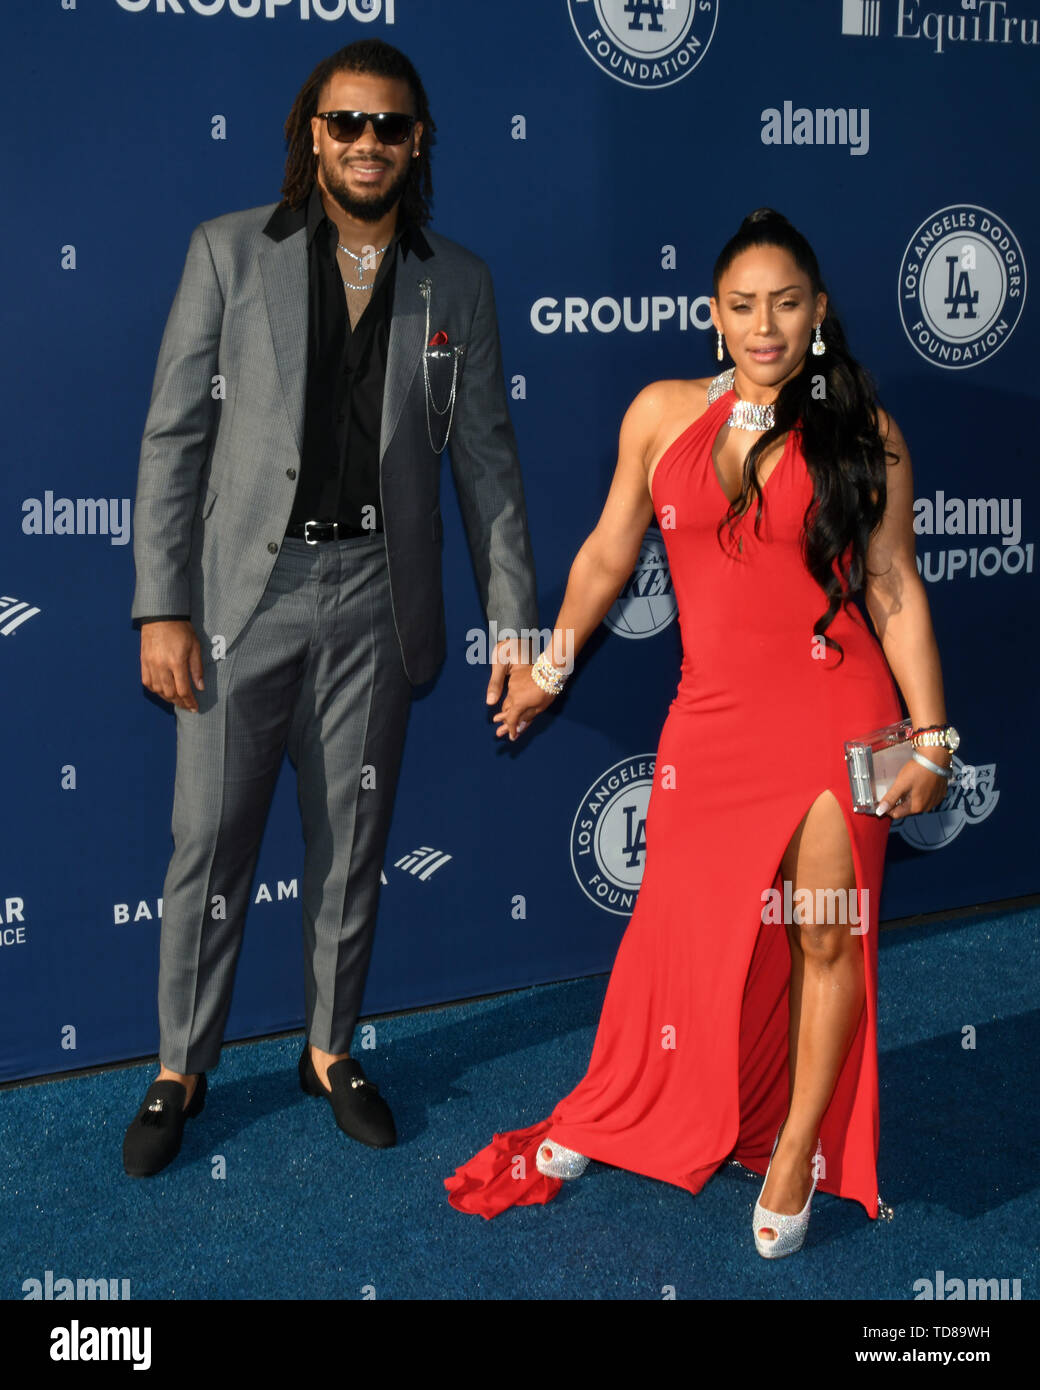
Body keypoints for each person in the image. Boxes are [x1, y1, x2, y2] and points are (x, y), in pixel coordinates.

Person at [445, 209, 957, 1257]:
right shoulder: (661, 413)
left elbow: (894, 584)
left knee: (823, 930)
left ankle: (793, 1149)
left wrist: (933, 735)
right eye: (740, 305)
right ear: (711, 312)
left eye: (784, 303)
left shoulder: (864, 432)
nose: (761, 325)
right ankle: (624, 1104)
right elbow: (602, 553)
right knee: (675, 939)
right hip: (710, 725)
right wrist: (548, 666)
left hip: (833, 719)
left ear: (817, 313)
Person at [123, 39, 538, 1177]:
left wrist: (514, 625)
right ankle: (178, 1066)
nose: (367, 144)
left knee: (351, 845)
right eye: (345, 123)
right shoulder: (227, 254)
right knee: (209, 842)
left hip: (376, 595)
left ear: (418, 144)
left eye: (389, 127)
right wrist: (161, 604)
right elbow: (174, 439)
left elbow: (487, 466)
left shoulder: (455, 281)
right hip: (237, 601)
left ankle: (328, 1048)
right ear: (314, 134)